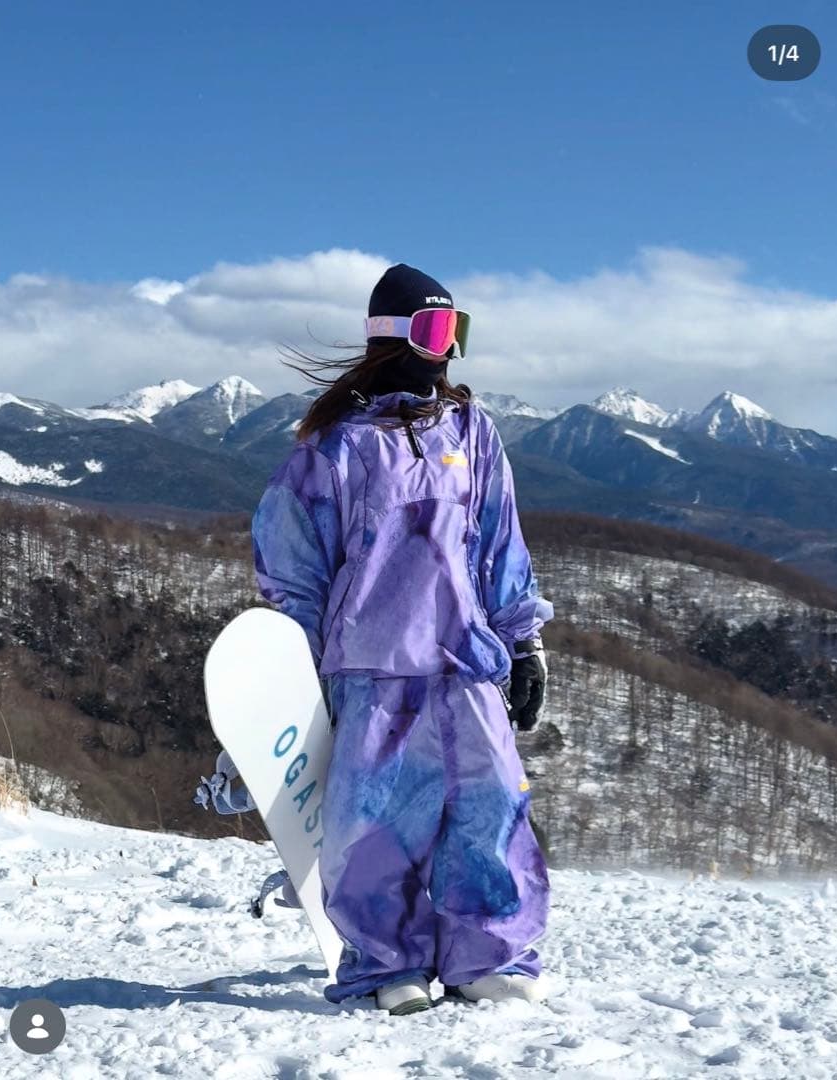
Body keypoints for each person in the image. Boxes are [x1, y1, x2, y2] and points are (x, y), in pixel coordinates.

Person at [251, 263, 554, 1015]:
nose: (447, 349)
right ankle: (387, 962)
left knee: (489, 809)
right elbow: (294, 569)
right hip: (372, 665)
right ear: (393, 335)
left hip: (463, 659)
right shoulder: (333, 447)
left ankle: (488, 956)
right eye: (436, 329)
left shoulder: (471, 431)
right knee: (376, 826)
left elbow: (499, 542)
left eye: (457, 330)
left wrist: (522, 641)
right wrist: (293, 673)